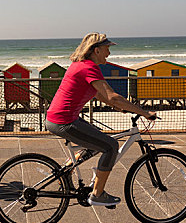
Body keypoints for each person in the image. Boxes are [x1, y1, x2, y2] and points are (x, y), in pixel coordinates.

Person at [45, 32, 156, 206]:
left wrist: (118, 107)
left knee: (98, 140)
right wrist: (143, 112)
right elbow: (112, 96)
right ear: (96, 50)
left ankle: (66, 170)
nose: (109, 53)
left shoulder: (80, 65)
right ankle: (97, 194)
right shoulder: (88, 67)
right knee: (111, 146)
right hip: (65, 121)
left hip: (61, 117)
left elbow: (98, 93)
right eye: (107, 49)